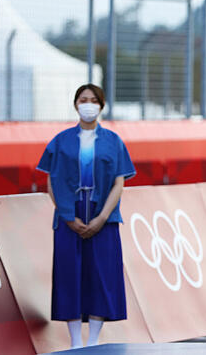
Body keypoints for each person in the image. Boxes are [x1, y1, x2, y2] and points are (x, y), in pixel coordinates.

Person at [37, 84, 136, 349]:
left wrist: (103, 217)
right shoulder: (61, 141)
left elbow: (119, 182)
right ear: (76, 105)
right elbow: (51, 182)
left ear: (101, 106)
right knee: (70, 273)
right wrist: (68, 216)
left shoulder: (114, 141)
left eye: (93, 100)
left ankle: (93, 339)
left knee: (101, 274)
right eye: (83, 100)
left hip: (103, 213)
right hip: (69, 213)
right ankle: (74, 341)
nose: (88, 104)